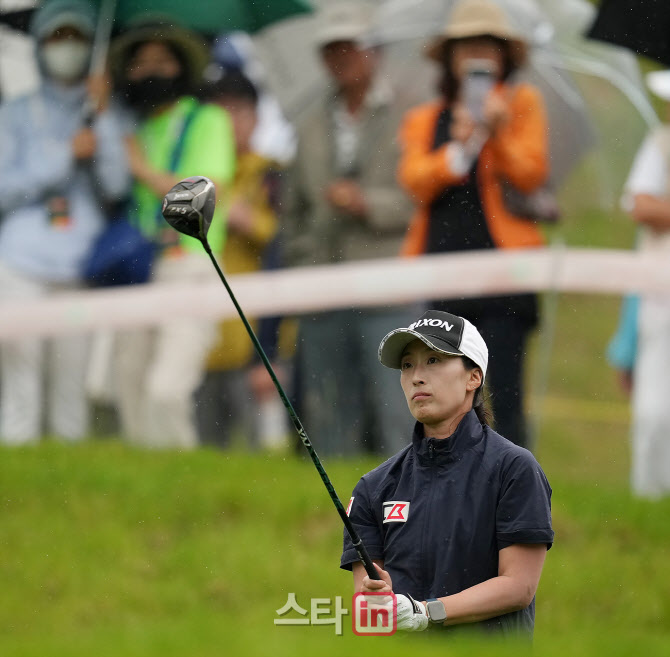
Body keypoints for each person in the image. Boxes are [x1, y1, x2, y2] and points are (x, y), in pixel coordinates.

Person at [341, 309, 553, 636]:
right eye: (408, 364)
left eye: (434, 361)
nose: (417, 376)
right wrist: (374, 600)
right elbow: (370, 610)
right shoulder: (374, 487)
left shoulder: (514, 469)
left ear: (473, 377)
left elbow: (518, 586)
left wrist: (427, 612)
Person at [397, 0, 550, 449]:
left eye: (487, 45)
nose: (477, 55)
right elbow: (414, 181)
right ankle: (448, 483)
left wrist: (497, 133)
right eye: (467, 46)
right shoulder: (427, 118)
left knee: (503, 393)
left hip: (506, 273)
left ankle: (512, 485)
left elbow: (532, 173)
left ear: (504, 55)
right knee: (443, 392)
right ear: (450, 56)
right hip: (442, 270)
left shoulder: (522, 104)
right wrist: (457, 150)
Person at [280, 1, 420, 457]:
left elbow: (421, 198)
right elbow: (292, 209)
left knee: (397, 411)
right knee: (328, 413)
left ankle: (406, 512)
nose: (342, 57)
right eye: (332, 49)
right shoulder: (309, 125)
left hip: (388, 288)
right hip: (323, 287)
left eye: (351, 47)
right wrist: (303, 260)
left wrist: (366, 204)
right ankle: (336, 512)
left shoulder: (410, 116)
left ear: (374, 51)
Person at [0, 0, 129, 444]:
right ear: (39, 45)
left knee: (70, 394)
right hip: (19, 267)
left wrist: (105, 118)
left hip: (78, 265)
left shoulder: (104, 107)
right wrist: (60, 159)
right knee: (20, 390)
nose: (66, 47)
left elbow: (116, 186)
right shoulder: (14, 114)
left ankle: (74, 502)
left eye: (76, 37)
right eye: (57, 37)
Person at [109, 22, 236, 449]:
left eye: (162, 61)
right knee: (128, 380)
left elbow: (203, 193)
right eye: (140, 62)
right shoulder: (132, 127)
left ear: (181, 68)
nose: (150, 70)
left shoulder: (208, 120)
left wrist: (142, 169)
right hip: (139, 267)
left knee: (167, 387)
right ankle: (145, 491)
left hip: (189, 263)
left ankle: (182, 483)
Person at [195, 69, 287, 449]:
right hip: (202, 337)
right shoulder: (197, 175)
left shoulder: (272, 174)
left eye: (239, 111)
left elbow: (282, 241)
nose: (230, 123)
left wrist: (248, 219)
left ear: (257, 117)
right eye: (220, 113)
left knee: (256, 453)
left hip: (251, 339)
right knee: (202, 452)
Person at [615, 68, 670, 498]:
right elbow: (641, 204)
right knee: (655, 411)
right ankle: (651, 494)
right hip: (661, 296)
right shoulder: (661, 146)